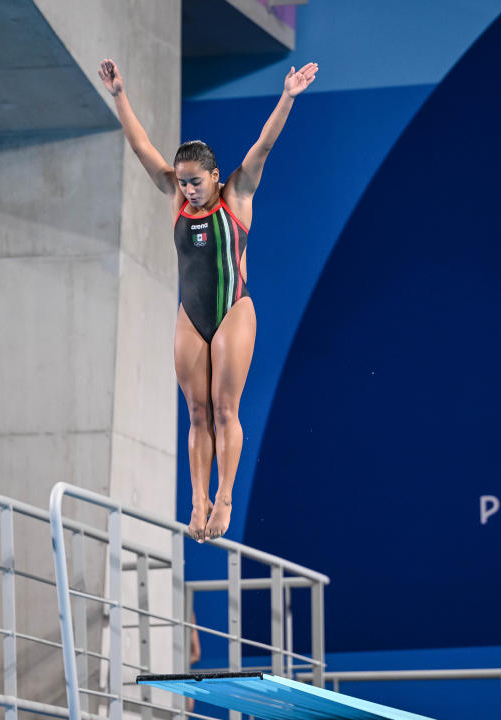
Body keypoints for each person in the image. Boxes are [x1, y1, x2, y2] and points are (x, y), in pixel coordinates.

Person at [98, 57, 318, 541]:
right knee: (196, 413)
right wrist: (119, 95)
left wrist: (287, 96)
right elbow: (141, 147)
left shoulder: (237, 194)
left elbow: (264, 144)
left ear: (215, 176)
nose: (188, 190)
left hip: (234, 310)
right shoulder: (177, 200)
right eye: (182, 181)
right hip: (192, 315)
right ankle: (196, 501)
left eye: (196, 181)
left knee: (224, 411)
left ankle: (224, 499)